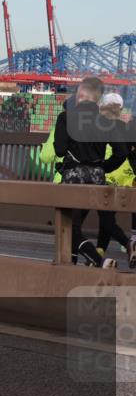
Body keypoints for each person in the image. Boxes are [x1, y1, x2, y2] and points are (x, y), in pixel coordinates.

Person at [54, 77, 128, 267]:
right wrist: (104, 167)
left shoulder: (66, 117)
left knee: (68, 225)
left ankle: (97, 260)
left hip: (73, 177)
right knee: (98, 221)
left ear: (80, 94)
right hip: (97, 177)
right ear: (98, 98)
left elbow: (60, 151)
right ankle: (77, 260)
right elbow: (121, 152)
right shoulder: (105, 121)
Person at [97, 93, 134, 267]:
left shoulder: (100, 127)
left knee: (106, 218)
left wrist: (102, 168)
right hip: (126, 179)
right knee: (106, 217)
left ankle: (128, 244)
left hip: (106, 177)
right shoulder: (125, 127)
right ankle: (98, 255)